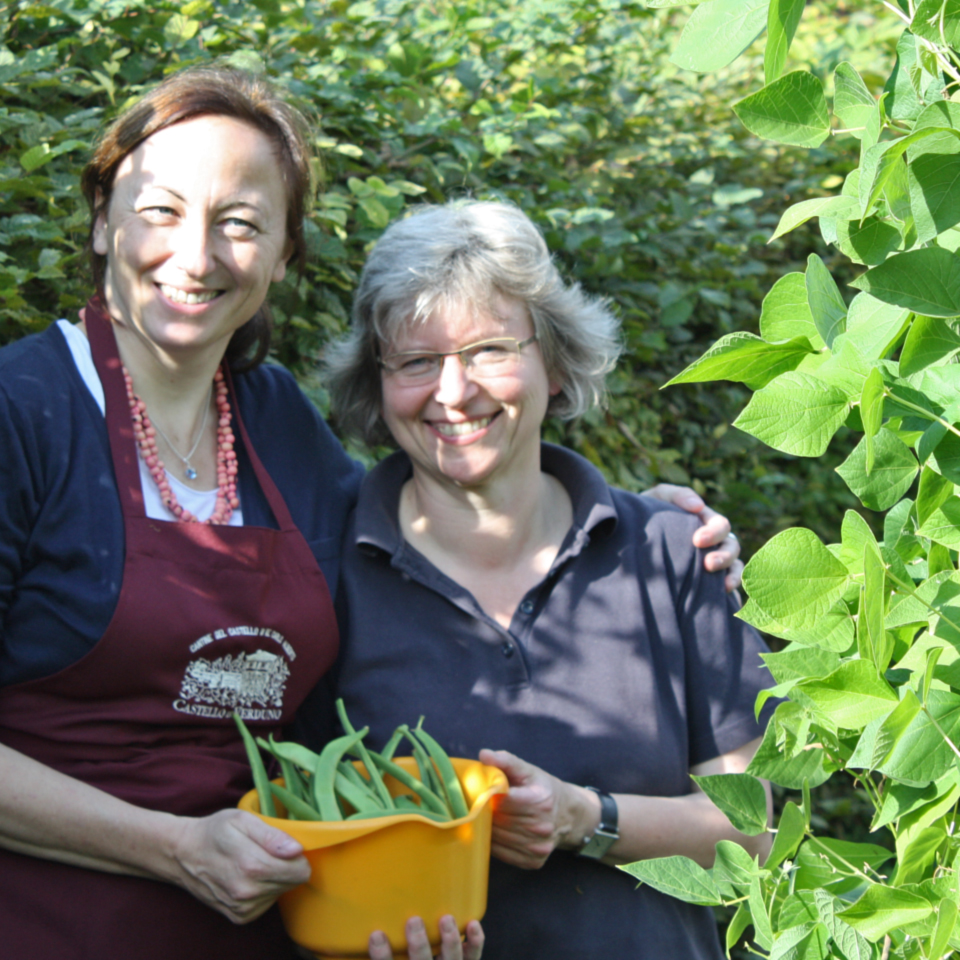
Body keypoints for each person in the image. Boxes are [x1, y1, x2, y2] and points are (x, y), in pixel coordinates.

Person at [0, 67, 740, 960]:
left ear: (280, 257)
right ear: (104, 221)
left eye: (240, 224)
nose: (196, 256)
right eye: (161, 211)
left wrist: (631, 523)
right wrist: (175, 846)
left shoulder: (276, 425)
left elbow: (430, 505)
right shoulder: (8, 419)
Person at [321, 200, 774, 960]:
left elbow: (752, 833)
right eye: (415, 361)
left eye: (491, 349)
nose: (454, 392)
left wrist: (583, 819)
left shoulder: (672, 553)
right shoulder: (325, 573)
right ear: (377, 381)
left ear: (555, 362)